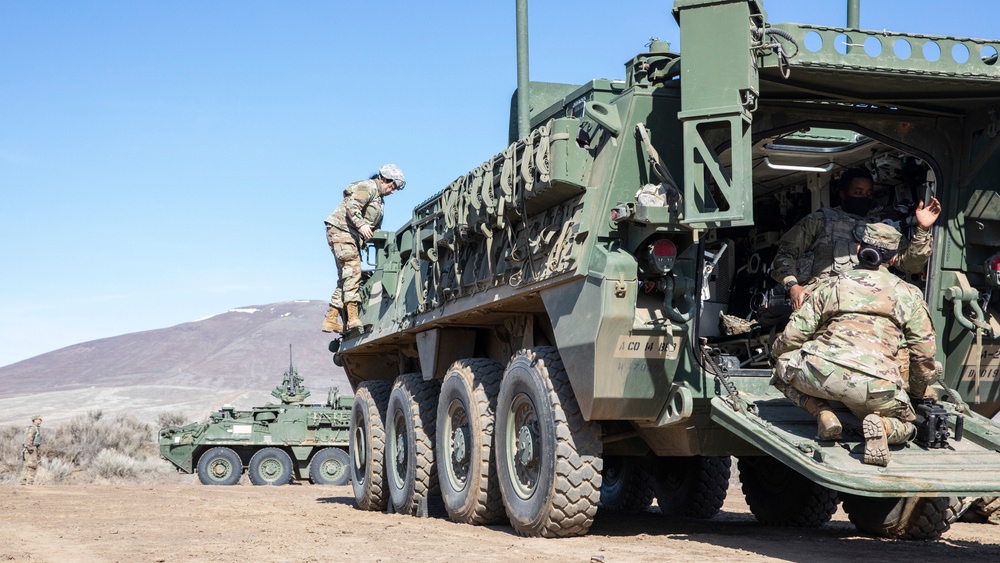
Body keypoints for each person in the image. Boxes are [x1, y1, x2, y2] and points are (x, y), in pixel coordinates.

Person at [770, 223, 940, 466]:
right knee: (909, 426)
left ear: (859, 248)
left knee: (782, 366)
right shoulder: (909, 293)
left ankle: (822, 412)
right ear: (892, 260)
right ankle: (883, 426)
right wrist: (914, 393)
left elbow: (793, 336)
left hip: (822, 374)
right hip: (876, 388)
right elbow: (923, 354)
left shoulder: (832, 285)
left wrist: (776, 356)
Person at [771, 166, 941, 311]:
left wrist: (922, 229)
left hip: (871, 302)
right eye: (858, 192)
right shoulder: (818, 221)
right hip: (828, 301)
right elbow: (784, 256)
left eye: (868, 193)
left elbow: (910, 265)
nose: (864, 197)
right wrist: (793, 287)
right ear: (844, 194)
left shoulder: (880, 228)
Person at [323, 164, 405, 333]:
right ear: (384, 179)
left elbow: (374, 226)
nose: (392, 191)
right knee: (354, 271)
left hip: (350, 235)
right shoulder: (367, 187)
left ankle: (331, 318)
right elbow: (352, 206)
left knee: (347, 276)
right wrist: (361, 226)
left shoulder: (379, 200)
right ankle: (353, 318)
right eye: (392, 186)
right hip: (342, 230)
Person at [19, 415, 43, 485]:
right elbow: (29, 438)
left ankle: (23, 482)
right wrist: (30, 448)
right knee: (32, 465)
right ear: (34, 420)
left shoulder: (35, 428)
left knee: (26, 465)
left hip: (30, 448)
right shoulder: (33, 428)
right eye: (38, 419)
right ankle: (29, 482)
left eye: (40, 419)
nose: (40, 421)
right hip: (31, 449)